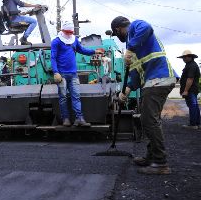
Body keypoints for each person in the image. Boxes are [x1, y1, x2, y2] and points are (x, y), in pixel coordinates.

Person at [111, 16, 177, 175]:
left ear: (118, 29)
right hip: (152, 81)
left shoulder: (135, 27)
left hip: (159, 79)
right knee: (148, 119)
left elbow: (147, 27)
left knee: (149, 120)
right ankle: (151, 156)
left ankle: (161, 163)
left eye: (116, 33)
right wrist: (126, 91)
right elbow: (134, 75)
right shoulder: (131, 45)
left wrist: (130, 48)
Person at [51, 22, 104, 127]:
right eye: (68, 32)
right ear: (63, 31)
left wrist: (94, 51)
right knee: (63, 97)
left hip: (73, 74)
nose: (69, 34)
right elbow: (53, 57)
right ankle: (66, 118)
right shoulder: (56, 41)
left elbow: (82, 50)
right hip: (61, 74)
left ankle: (79, 118)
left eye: (71, 32)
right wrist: (56, 72)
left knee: (76, 96)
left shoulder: (74, 40)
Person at [178, 50, 200, 129]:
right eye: (183, 57)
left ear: (190, 57)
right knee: (194, 105)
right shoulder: (190, 65)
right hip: (192, 89)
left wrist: (186, 90)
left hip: (190, 90)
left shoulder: (191, 66)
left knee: (192, 105)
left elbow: (190, 78)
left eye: (185, 57)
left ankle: (193, 124)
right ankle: (197, 123)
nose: (183, 59)